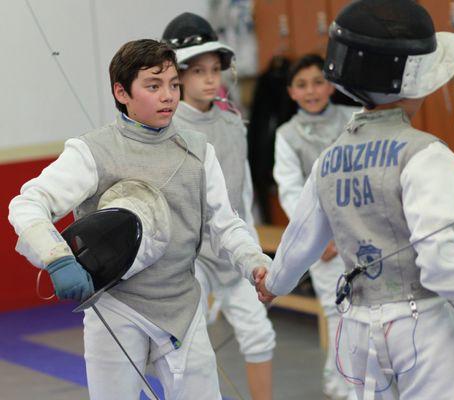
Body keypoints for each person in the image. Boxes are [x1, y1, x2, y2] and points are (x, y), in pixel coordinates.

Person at [256, 1, 454, 399]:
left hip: (356, 328)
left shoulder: (330, 157)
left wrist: (274, 282)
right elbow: (438, 261)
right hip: (421, 326)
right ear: (414, 78)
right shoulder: (428, 154)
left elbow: (300, 237)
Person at [8, 39, 271, 400]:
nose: (168, 96)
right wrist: (56, 257)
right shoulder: (93, 151)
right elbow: (27, 203)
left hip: (183, 304)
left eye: (173, 85)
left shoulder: (197, 150)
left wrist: (253, 261)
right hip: (116, 307)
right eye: (153, 85)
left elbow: (225, 223)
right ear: (122, 91)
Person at [162, 13, 275, 400]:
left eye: (215, 69)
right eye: (198, 71)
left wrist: (252, 248)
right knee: (185, 342)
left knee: (260, 335)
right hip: (189, 254)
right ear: (177, 76)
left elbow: (242, 192)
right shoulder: (167, 130)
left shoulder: (232, 124)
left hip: (233, 249)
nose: (210, 79)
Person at [273, 53, 358, 400]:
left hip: (361, 231)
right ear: (292, 92)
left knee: (368, 313)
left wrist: (352, 229)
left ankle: (354, 382)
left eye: (318, 82)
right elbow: (291, 190)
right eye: (302, 85)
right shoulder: (286, 135)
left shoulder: (355, 119)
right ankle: (344, 387)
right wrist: (318, 237)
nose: (312, 91)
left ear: (331, 84)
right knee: (338, 312)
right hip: (323, 243)